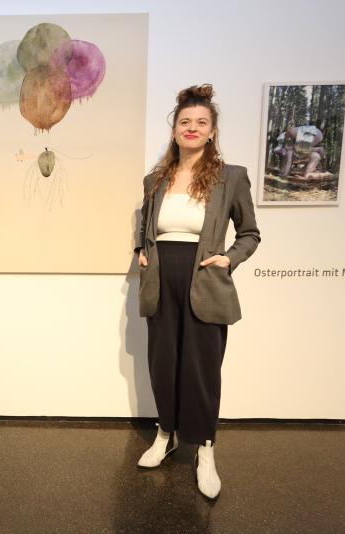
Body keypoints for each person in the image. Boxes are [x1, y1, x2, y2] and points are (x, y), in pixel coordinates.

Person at [135, 84, 260, 499]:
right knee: (163, 362)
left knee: (202, 368)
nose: (192, 128)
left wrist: (230, 258)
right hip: (161, 278)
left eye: (200, 122)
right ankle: (166, 433)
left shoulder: (231, 177)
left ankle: (205, 447)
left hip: (203, 278)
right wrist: (140, 249)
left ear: (212, 131)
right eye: (185, 121)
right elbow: (145, 224)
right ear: (174, 129)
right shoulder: (156, 178)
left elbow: (250, 233)